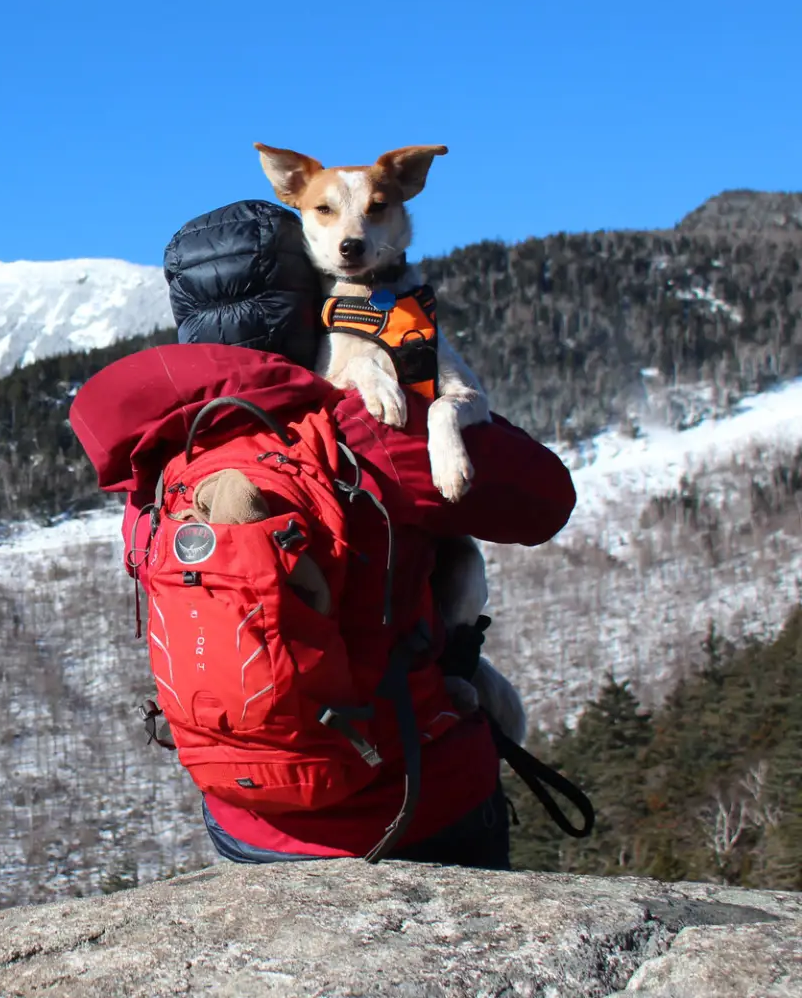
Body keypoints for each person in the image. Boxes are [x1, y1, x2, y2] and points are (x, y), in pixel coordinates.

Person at [69, 200, 577, 866]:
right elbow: (545, 499)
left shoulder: (159, 456)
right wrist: (428, 385)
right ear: (318, 292)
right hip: (415, 807)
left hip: (246, 821)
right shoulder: (368, 430)